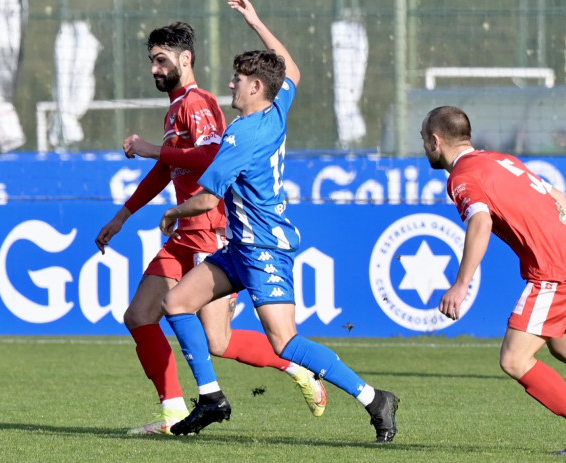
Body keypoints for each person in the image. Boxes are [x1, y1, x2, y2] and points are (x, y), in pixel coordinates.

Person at [159, 0, 399, 442]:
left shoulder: (242, 133)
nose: (230, 84)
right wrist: (254, 21)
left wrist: (172, 212)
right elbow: (292, 71)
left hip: (264, 249)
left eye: (236, 80)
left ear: (254, 86)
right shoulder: (276, 108)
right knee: (175, 305)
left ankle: (373, 398)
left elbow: (207, 197)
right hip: (241, 249)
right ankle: (212, 398)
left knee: (286, 343)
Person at [95, 20, 326, 436]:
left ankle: (298, 367)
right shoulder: (176, 108)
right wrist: (122, 216)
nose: (154, 69)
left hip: (209, 229)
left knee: (215, 340)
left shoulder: (197, 102)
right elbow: (168, 168)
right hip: (186, 234)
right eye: (151, 60)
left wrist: (150, 148)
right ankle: (171, 412)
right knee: (140, 315)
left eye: (161, 60)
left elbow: (209, 157)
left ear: (185, 59)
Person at [421, 105, 566, 455]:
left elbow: (481, 222)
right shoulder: (501, 160)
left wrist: (460, 284)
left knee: (514, 360)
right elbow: (557, 197)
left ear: (436, 141)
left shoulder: (462, 177)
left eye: (424, 139)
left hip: (553, 270)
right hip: (560, 259)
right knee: (559, 345)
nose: (424, 146)